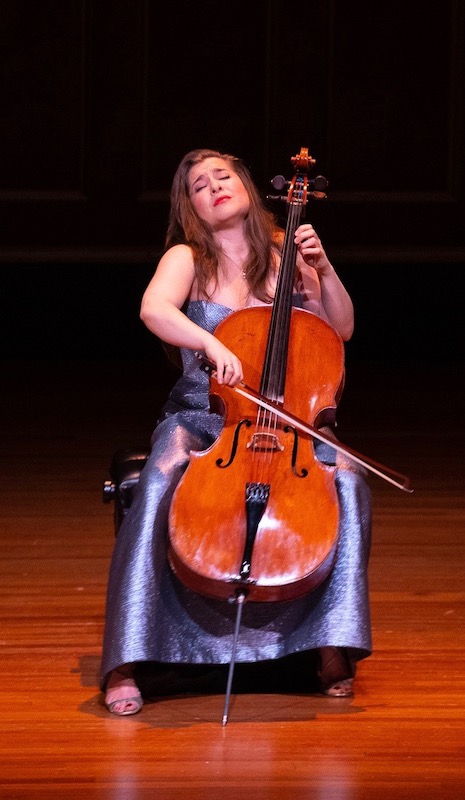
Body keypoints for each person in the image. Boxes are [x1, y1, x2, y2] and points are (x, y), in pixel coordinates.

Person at [100, 148, 372, 716]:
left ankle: (329, 644)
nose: (215, 186)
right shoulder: (187, 257)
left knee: (348, 483)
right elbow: (154, 309)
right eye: (200, 185)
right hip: (205, 418)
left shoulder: (285, 252)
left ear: (247, 186)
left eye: (223, 175)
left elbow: (339, 329)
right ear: (191, 206)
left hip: (289, 418)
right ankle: (126, 656)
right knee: (159, 481)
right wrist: (209, 340)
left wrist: (322, 271)